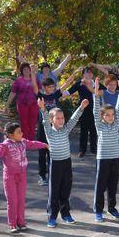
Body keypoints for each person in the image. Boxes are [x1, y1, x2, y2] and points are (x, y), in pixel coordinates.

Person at [0, 122, 48, 233]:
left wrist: (44, 145)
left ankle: (21, 222)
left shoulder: (23, 142)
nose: (22, 133)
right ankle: (12, 224)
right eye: (19, 132)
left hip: (22, 176)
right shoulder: (4, 145)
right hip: (9, 177)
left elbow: (33, 144)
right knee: (12, 201)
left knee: (21, 200)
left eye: (21, 131)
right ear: (11, 135)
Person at [38, 96, 89, 227]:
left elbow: (73, 119)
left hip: (67, 163)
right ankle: (52, 217)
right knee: (54, 191)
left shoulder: (66, 130)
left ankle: (66, 214)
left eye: (62, 118)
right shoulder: (49, 131)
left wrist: (81, 108)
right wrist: (43, 109)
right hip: (55, 165)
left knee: (65, 190)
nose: (61, 120)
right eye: (58, 118)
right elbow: (44, 121)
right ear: (52, 120)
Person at [32, 73, 77, 187]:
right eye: (49, 87)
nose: (52, 89)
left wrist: (74, 74)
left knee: (51, 151)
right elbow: (34, 86)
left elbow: (66, 84)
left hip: (55, 129)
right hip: (44, 128)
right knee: (42, 151)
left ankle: (53, 174)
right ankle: (42, 175)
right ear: (45, 87)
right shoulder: (40, 96)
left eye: (53, 87)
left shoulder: (56, 94)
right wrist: (33, 73)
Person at [91, 77, 119, 222]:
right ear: (102, 116)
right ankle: (98, 211)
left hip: (115, 157)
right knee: (101, 185)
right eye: (107, 115)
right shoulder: (99, 125)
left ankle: (112, 208)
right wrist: (95, 92)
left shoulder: (116, 122)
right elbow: (95, 109)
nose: (111, 117)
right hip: (103, 158)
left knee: (113, 185)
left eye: (112, 115)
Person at [67, 66, 98, 157]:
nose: (89, 74)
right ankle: (82, 150)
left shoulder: (95, 83)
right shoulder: (79, 83)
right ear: (83, 74)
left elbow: (106, 91)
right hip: (83, 109)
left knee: (93, 129)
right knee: (84, 130)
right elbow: (69, 91)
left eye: (91, 72)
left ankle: (94, 148)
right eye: (87, 72)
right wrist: (58, 95)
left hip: (94, 109)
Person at [6, 62, 39, 144]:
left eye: (28, 69)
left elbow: (39, 92)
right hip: (22, 104)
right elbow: (13, 93)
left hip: (34, 104)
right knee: (24, 123)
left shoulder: (35, 79)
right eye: (24, 69)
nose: (27, 71)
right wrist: (7, 105)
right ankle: (24, 140)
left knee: (33, 122)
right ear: (22, 71)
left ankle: (30, 141)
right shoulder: (18, 80)